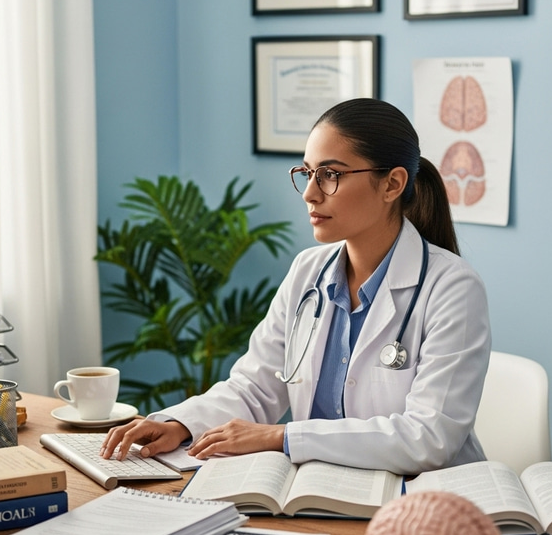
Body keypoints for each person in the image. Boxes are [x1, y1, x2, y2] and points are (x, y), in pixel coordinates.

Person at [100, 98, 490, 475]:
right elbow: (255, 386)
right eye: (307, 173)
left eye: (331, 174)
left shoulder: (452, 288)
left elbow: (428, 437)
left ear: (392, 185)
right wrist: (181, 424)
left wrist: (282, 436)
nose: (310, 193)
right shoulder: (308, 271)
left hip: (426, 502)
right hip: (325, 491)